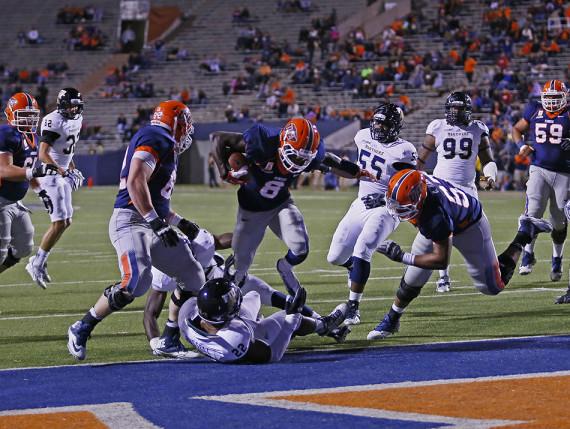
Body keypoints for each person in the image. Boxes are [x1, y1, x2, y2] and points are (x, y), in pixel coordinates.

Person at [67, 100, 204, 361]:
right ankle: (82, 326)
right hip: (131, 221)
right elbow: (135, 180)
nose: (187, 131)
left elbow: (156, 199)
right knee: (136, 281)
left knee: (192, 274)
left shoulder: (163, 142)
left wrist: (179, 222)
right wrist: (154, 221)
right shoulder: (156, 136)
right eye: (185, 125)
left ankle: (169, 338)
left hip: (151, 222)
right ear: (175, 123)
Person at [367, 169, 552, 340]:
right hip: (446, 215)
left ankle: (525, 233)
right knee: (414, 276)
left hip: (469, 225)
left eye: (402, 206)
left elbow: (441, 261)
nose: (398, 211)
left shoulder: (434, 216)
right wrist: (385, 199)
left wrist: (402, 256)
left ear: (419, 197)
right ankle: (392, 319)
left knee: (493, 286)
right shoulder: (417, 183)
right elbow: (404, 188)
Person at [211, 118, 372, 296]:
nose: (297, 161)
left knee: (300, 248)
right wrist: (223, 170)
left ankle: (285, 268)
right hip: (251, 209)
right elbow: (218, 138)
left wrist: (356, 171)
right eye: (294, 154)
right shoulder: (262, 140)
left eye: (303, 158)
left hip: (280, 204)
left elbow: (330, 161)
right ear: (283, 142)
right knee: (239, 269)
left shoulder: (308, 154)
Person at [145, 228, 350, 354]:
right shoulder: (163, 272)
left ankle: (324, 325)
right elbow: (150, 313)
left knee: (269, 295)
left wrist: (245, 244)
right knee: (265, 324)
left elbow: (223, 240)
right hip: (213, 309)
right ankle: (304, 326)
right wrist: (156, 342)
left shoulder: (198, 243)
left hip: (227, 285)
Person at [327, 103, 417, 325]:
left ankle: (353, 308)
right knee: (335, 257)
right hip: (360, 202)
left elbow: (412, 186)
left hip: (387, 209)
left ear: (395, 126)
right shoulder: (362, 136)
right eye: (376, 121)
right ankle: (352, 267)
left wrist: (386, 197)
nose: (378, 126)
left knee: (362, 248)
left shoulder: (404, 150)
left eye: (383, 123)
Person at [417, 92, 498, 293]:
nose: (455, 112)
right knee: (439, 231)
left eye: (459, 108)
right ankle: (443, 276)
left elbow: (488, 161)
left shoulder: (478, 128)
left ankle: (491, 271)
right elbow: (420, 161)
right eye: (452, 108)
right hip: (441, 186)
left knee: (479, 231)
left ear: (467, 110)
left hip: (467, 189)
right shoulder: (437, 127)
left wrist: (489, 177)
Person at [178, 278, 347, 363]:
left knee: (254, 293)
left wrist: (225, 279)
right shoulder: (235, 338)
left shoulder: (187, 313)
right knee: (284, 318)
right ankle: (323, 325)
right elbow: (273, 355)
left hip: (227, 325)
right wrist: (291, 321)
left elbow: (180, 294)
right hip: (247, 331)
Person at [26, 88, 85, 288]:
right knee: (60, 222)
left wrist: (72, 168)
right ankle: (36, 262)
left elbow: (66, 150)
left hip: (61, 173)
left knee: (66, 222)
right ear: (61, 105)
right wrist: (64, 172)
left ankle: (38, 261)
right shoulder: (53, 120)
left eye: (76, 105)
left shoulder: (77, 119)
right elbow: (43, 154)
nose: (74, 109)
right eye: (70, 105)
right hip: (50, 176)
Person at [515, 80, 570, 281]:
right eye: (549, 98)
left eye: (557, 98)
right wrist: (520, 146)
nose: (553, 103)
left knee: (559, 221)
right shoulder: (533, 110)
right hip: (538, 168)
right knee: (533, 212)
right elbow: (516, 129)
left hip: (564, 173)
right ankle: (528, 255)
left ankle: (557, 258)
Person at [0, 93, 57, 276]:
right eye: (23, 115)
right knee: (0, 251)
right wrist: (33, 172)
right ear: (11, 114)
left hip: (15, 202)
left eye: (32, 116)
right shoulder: (7, 133)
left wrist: (41, 191)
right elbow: (3, 170)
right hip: (1, 200)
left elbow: (28, 169)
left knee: (24, 246)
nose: (28, 120)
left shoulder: (31, 136)